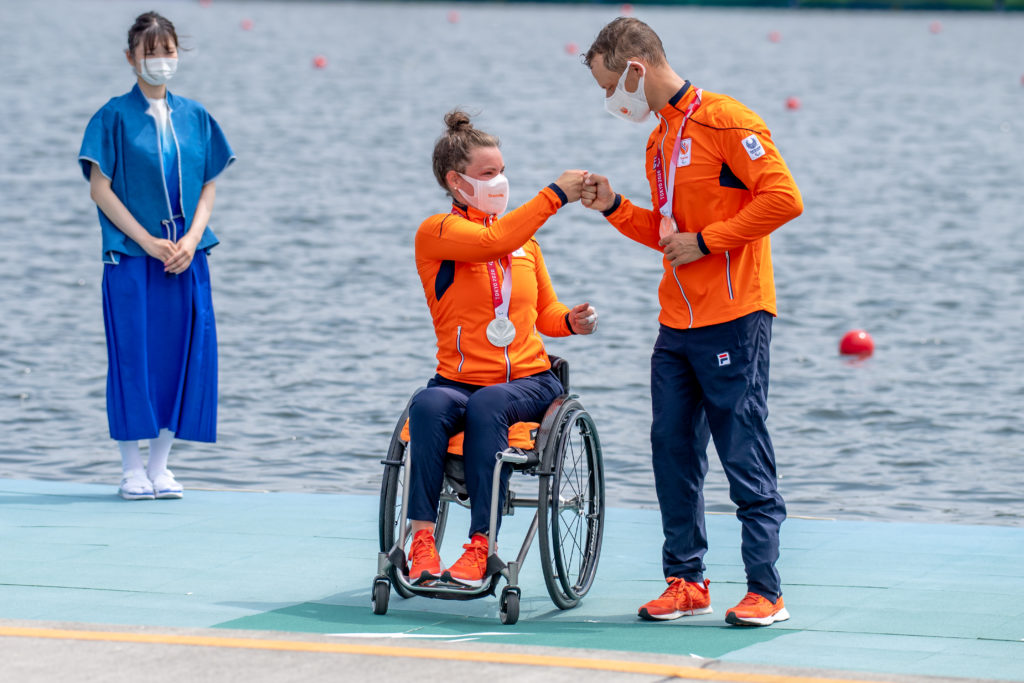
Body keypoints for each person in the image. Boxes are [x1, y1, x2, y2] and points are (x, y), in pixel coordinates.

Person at [580, 17, 803, 626]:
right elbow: (668, 236)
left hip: (735, 316)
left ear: (635, 69)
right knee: (672, 451)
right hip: (676, 324)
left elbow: (784, 199)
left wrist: (708, 241)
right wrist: (614, 206)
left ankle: (766, 591)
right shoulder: (659, 139)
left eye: (610, 86)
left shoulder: (726, 119)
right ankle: (686, 581)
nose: (610, 99)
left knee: (742, 449)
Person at [407, 110, 596, 587]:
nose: (500, 182)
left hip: (528, 382)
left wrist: (570, 321)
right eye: (488, 173)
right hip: (457, 381)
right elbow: (492, 241)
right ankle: (422, 540)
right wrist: (555, 195)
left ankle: (481, 544)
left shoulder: (525, 245)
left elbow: (546, 314)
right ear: (455, 181)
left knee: (490, 403)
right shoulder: (438, 232)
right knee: (426, 405)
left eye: (502, 171)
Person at [78, 12, 235, 501]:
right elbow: (100, 189)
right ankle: (131, 469)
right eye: (150, 52)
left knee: (182, 357)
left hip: (186, 257)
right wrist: (147, 241)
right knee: (132, 357)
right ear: (131, 58)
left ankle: (160, 466)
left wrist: (192, 239)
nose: (161, 60)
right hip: (130, 257)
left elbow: (208, 186)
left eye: (168, 51)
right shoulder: (112, 116)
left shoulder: (196, 116)